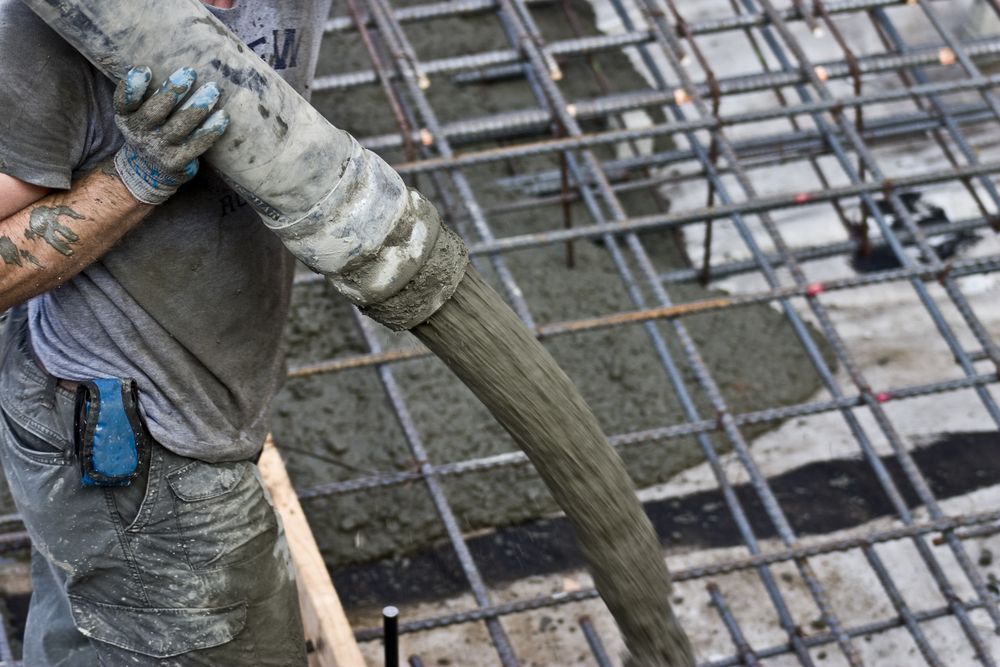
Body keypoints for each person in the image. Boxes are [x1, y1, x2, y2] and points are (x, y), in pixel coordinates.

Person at [0, 0, 331, 663]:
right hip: (135, 435)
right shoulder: (45, 30)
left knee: (88, 635)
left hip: (210, 393)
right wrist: (133, 180)